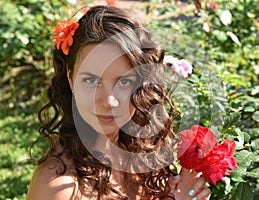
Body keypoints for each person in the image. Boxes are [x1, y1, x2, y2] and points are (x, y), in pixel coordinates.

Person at [27, 5, 210, 200]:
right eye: (91, 80)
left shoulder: (139, 151)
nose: (108, 101)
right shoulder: (62, 189)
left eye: (124, 81)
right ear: (71, 79)